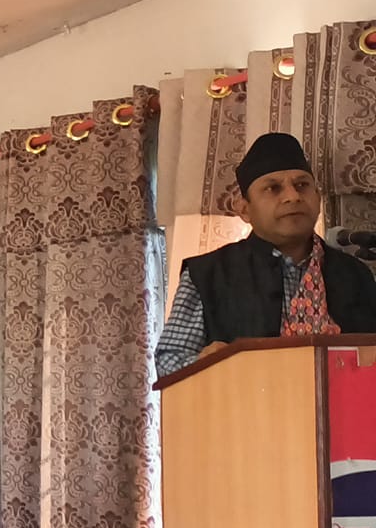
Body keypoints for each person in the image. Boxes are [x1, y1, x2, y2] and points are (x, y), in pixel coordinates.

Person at [156, 132, 376, 376]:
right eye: (273, 188)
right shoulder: (208, 274)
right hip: (244, 400)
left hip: (346, 400)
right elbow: (169, 362)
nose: (292, 196)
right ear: (244, 210)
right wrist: (204, 362)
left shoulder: (355, 274)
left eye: (302, 185)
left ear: (317, 197)